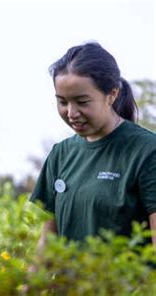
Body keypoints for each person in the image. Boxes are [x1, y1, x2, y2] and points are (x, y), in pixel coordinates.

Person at [30, 42, 156, 252]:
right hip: (70, 285)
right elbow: (47, 243)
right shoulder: (61, 154)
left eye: (82, 101)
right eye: (62, 102)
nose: (71, 112)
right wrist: (28, 284)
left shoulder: (146, 151)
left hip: (128, 285)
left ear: (112, 94)